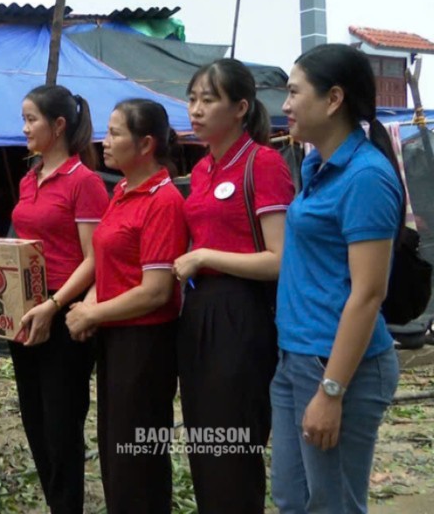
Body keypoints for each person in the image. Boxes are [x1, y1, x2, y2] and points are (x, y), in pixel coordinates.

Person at [270, 43, 402, 513]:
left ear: (333, 99)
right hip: (297, 357)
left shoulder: (366, 177)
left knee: (333, 506)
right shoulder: (316, 164)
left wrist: (331, 391)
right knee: (291, 498)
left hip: (340, 366)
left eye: (293, 92)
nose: (284, 105)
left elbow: (368, 294)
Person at [172, 59, 295, 513]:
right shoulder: (202, 169)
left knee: (234, 444)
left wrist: (204, 256)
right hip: (199, 311)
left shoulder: (262, 164)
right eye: (192, 99)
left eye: (209, 99)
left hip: (242, 312)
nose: (196, 110)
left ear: (241, 107)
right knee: (204, 439)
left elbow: (280, 260)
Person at [65, 98, 188, 514]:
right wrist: (89, 302)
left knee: (137, 452)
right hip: (117, 337)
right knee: (116, 446)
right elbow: (109, 261)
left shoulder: (163, 201)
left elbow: (156, 290)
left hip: (145, 341)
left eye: (116, 132)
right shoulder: (121, 190)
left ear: (146, 143)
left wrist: (93, 312)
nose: (105, 141)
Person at [9, 85, 108, 514]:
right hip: (25, 306)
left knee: (62, 425)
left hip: (63, 312)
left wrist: (55, 305)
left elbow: (95, 258)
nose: (25, 128)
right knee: (33, 417)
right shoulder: (28, 178)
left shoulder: (84, 182)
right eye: (25, 119)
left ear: (59, 125)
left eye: (32, 119)